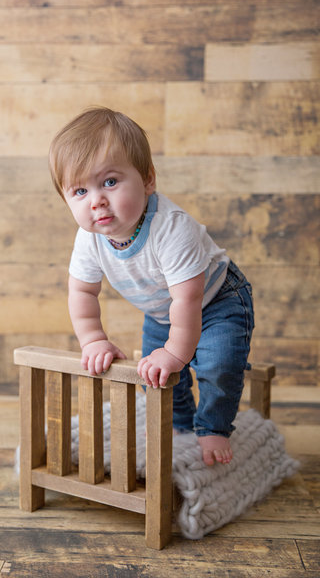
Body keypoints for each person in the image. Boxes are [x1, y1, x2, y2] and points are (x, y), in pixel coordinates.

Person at [49, 107, 254, 466]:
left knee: (217, 364)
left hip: (216, 299)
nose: (96, 200)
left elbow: (187, 299)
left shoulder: (172, 229)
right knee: (152, 374)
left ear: (147, 180)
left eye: (110, 182)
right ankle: (178, 423)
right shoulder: (89, 239)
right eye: (80, 190)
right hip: (162, 310)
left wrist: (177, 353)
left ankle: (213, 428)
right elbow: (82, 292)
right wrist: (93, 339)